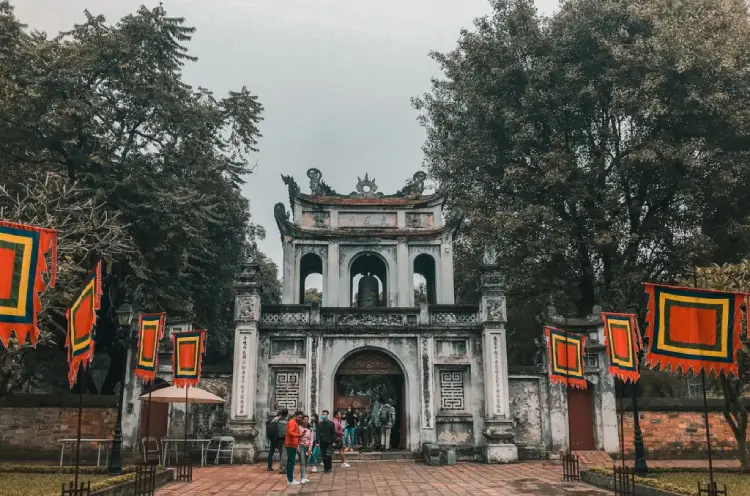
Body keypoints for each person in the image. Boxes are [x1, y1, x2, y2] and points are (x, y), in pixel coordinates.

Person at [284, 410, 303, 486]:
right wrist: (299, 435)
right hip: (290, 444)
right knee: (291, 462)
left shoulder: (295, 422)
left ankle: (290, 479)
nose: (300, 419)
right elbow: (290, 432)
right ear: (296, 415)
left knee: (291, 462)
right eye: (299, 417)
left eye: (301, 417)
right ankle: (290, 479)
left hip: (292, 444)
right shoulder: (292, 422)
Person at [318, 410, 335, 474]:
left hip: (329, 442)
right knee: (324, 456)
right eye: (323, 414)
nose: (323, 415)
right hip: (322, 442)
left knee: (328, 455)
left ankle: (329, 468)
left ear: (327, 415)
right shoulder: (320, 424)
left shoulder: (331, 423)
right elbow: (318, 433)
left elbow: (333, 433)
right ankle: (325, 468)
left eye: (325, 414)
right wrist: (317, 441)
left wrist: (333, 441)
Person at [298, 415, 312, 484]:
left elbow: (311, 439)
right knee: (302, 462)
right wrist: (303, 442)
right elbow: (298, 437)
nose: (306, 421)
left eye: (307, 419)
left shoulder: (310, 428)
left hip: (308, 447)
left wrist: (310, 448)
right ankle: (303, 477)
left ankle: (303, 476)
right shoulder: (299, 428)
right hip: (301, 446)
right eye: (304, 419)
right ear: (302, 420)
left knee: (306, 462)